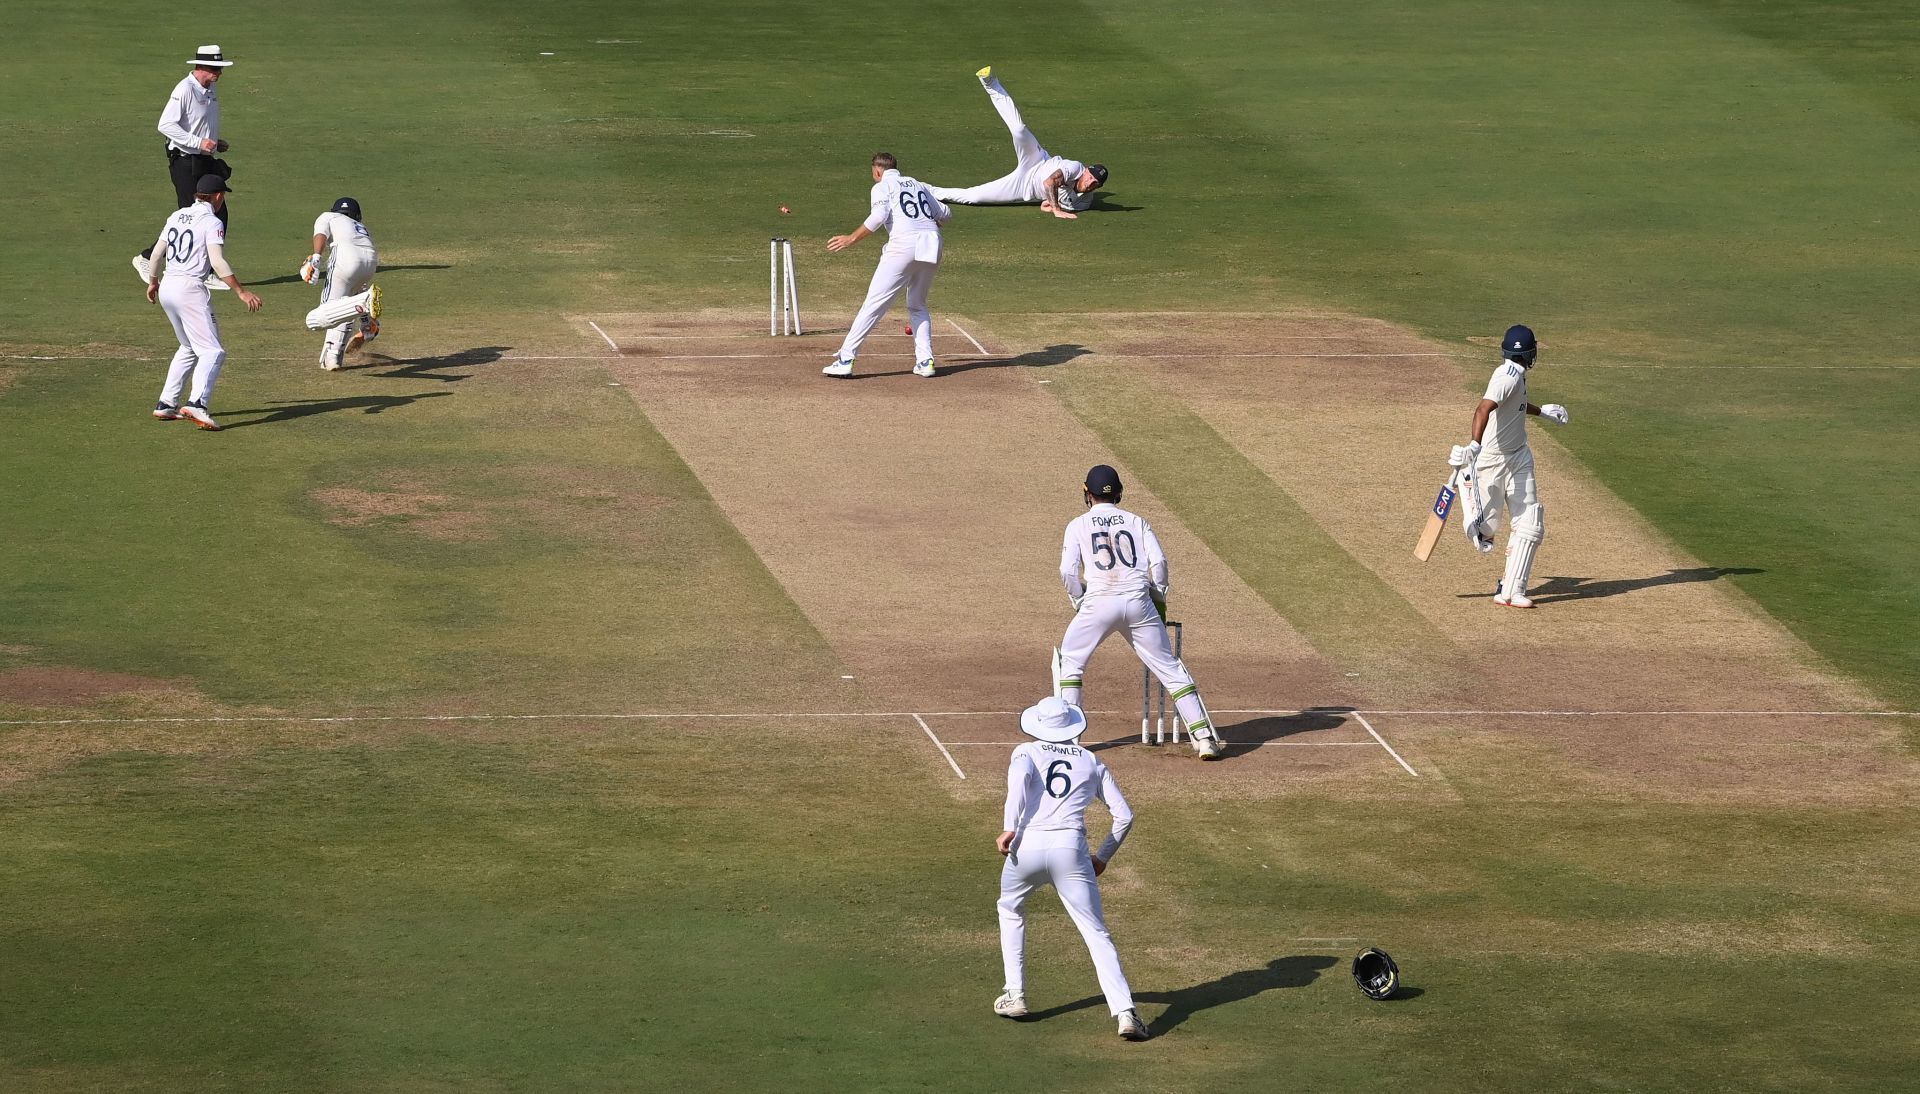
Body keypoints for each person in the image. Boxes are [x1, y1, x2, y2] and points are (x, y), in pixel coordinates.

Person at [994, 696, 1150, 1042]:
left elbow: (1018, 784)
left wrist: (1009, 826)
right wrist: (1103, 856)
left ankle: (1015, 995)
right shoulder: (1093, 761)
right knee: (1096, 932)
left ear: (1038, 725)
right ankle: (1125, 1013)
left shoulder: (1025, 751)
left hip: (1028, 847)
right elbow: (1124, 816)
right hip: (1072, 850)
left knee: (1009, 907)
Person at [1055, 465, 1224, 760]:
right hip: (1138, 601)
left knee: (1070, 663)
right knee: (1169, 667)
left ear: (1087, 493)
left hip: (1098, 602)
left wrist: (1079, 599)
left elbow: (1067, 572)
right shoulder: (1137, 521)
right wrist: (1157, 598)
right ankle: (1204, 737)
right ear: (1120, 492)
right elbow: (1158, 564)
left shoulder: (1077, 525)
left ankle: (1070, 742)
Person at [1450, 324, 1569, 608]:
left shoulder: (1517, 376)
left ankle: (1512, 590)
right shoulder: (1507, 376)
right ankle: (1467, 482)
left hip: (1518, 456)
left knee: (1530, 521)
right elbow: (1483, 408)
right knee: (1485, 532)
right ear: (1530, 353)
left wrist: (1543, 413)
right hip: (1491, 459)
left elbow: (1516, 403)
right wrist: (1474, 446)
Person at [143, 175, 263, 431]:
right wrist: (241, 291)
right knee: (212, 351)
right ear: (218, 196)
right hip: (189, 290)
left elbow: (155, 254)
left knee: (188, 347)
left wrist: (152, 282)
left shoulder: (176, 215)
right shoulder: (212, 221)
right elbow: (217, 261)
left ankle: (166, 403)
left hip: (168, 287)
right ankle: (197, 403)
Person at [823, 152, 949, 379]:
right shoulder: (918, 184)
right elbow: (946, 213)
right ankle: (925, 361)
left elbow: (879, 215)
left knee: (873, 304)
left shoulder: (882, 186)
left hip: (904, 244)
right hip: (932, 243)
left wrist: (851, 238)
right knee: (918, 304)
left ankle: (846, 359)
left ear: (877, 171)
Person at [927, 67, 1107, 220]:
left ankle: (928, 190)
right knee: (1019, 129)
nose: (1090, 181)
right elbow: (1049, 181)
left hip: (1023, 187)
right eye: (1090, 175)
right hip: (1037, 160)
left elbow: (1060, 203)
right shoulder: (1074, 168)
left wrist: (1050, 206)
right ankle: (991, 83)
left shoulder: (1085, 202)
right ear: (1085, 170)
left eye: (1095, 182)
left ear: (1098, 187)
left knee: (974, 197)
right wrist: (1056, 209)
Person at [134, 46, 236, 289]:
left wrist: (213, 141)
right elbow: (166, 125)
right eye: (214, 69)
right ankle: (148, 258)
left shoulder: (210, 89)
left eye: (220, 69)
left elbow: (199, 122)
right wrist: (199, 142)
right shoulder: (184, 89)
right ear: (200, 67)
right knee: (190, 214)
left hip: (203, 159)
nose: (218, 73)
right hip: (184, 161)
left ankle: (206, 269)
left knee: (218, 211)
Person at [301, 197, 381, 369]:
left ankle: (364, 306)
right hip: (370, 263)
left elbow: (321, 234)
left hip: (345, 259)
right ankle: (333, 358)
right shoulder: (361, 228)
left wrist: (316, 257)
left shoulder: (328, 216)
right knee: (342, 309)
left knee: (317, 318)